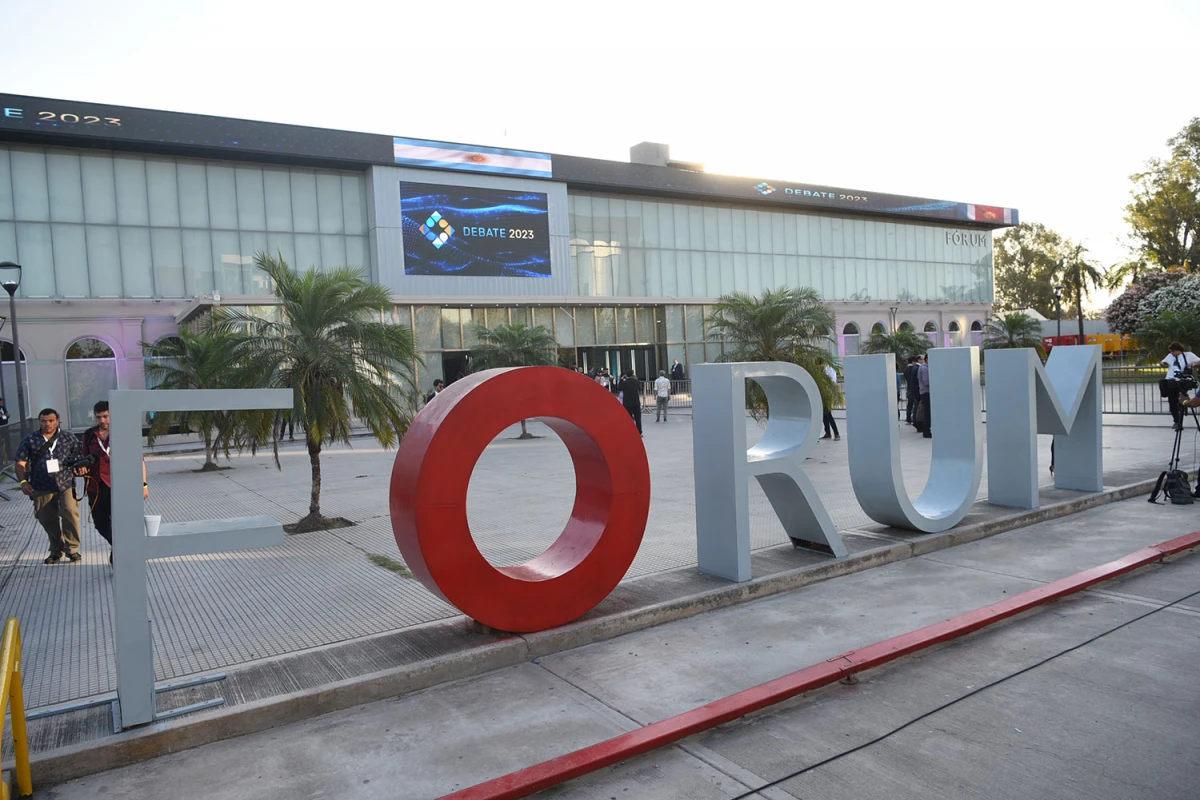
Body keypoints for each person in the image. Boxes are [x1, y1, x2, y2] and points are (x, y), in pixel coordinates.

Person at [80, 401, 149, 564]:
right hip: (96, 486)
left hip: (120, 485)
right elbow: (84, 459)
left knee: (122, 521)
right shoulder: (89, 435)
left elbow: (138, 460)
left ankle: (122, 555)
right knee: (100, 522)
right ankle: (118, 546)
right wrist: (81, 468)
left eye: (105, 416)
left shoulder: (123, 432)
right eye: (99, 417)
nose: (102, 420)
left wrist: (143, 483)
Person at [15, 408, 85, 564]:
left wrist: (80, 467)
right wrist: (23, 481)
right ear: (39, 421)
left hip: (65, 482)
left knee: (69, 512)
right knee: (46, 518)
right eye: (44, 421)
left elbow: (80, 456)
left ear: (58, 420)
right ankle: (56, 549)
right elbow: (20, 463)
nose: (47, 424)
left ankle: (72, 549)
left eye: (51, 420)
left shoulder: (68, 437)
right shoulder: (30, 439)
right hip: (41, 485)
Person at [1160, 342, 1200, 427]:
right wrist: (1163, 364)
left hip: (1182, 381)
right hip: (1171, 380)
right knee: (1172, 402)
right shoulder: (1170, 356)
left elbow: (1199, 361)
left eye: (1173, 351)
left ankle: (1183, 408)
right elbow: (1163, 362)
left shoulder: (1189, 355)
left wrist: (1194, 364)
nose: (1172, 353)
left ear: (1178, 350)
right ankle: (1177, 421)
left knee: (1180, 399)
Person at [617, 370, 643, 435]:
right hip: (636, 402)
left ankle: (629, 431)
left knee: (628, 418)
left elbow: (619, 388)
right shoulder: (636, 381)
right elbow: (640, 388)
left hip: (627, 403)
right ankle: (639, 431)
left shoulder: (625, 383)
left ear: (626, 375)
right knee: (638, 418)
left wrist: (621, 380)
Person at [820, 362, 840, 441]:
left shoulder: (829, 369)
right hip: (824, 393)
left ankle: (836, 433)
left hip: (827, 393)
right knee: (824, 415)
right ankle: (827, 433)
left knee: (828, 414)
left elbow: (831, 382)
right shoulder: (827, 369)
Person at [903, 356, 921, 426]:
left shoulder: (906, 370)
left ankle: (908, 418)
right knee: (916, 404)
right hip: (914, 389)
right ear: (913, 361)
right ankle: (915, 418)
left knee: (909, 404)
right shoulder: (914, 369)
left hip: (909, 388)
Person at [917, 356, 932, 438]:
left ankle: (926, 430)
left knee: (928, 412)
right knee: (927, 413)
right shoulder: (924, 368)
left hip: (926, 392)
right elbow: (926, 381)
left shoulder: (925, 367)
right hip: (926, 392)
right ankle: (926, 431)